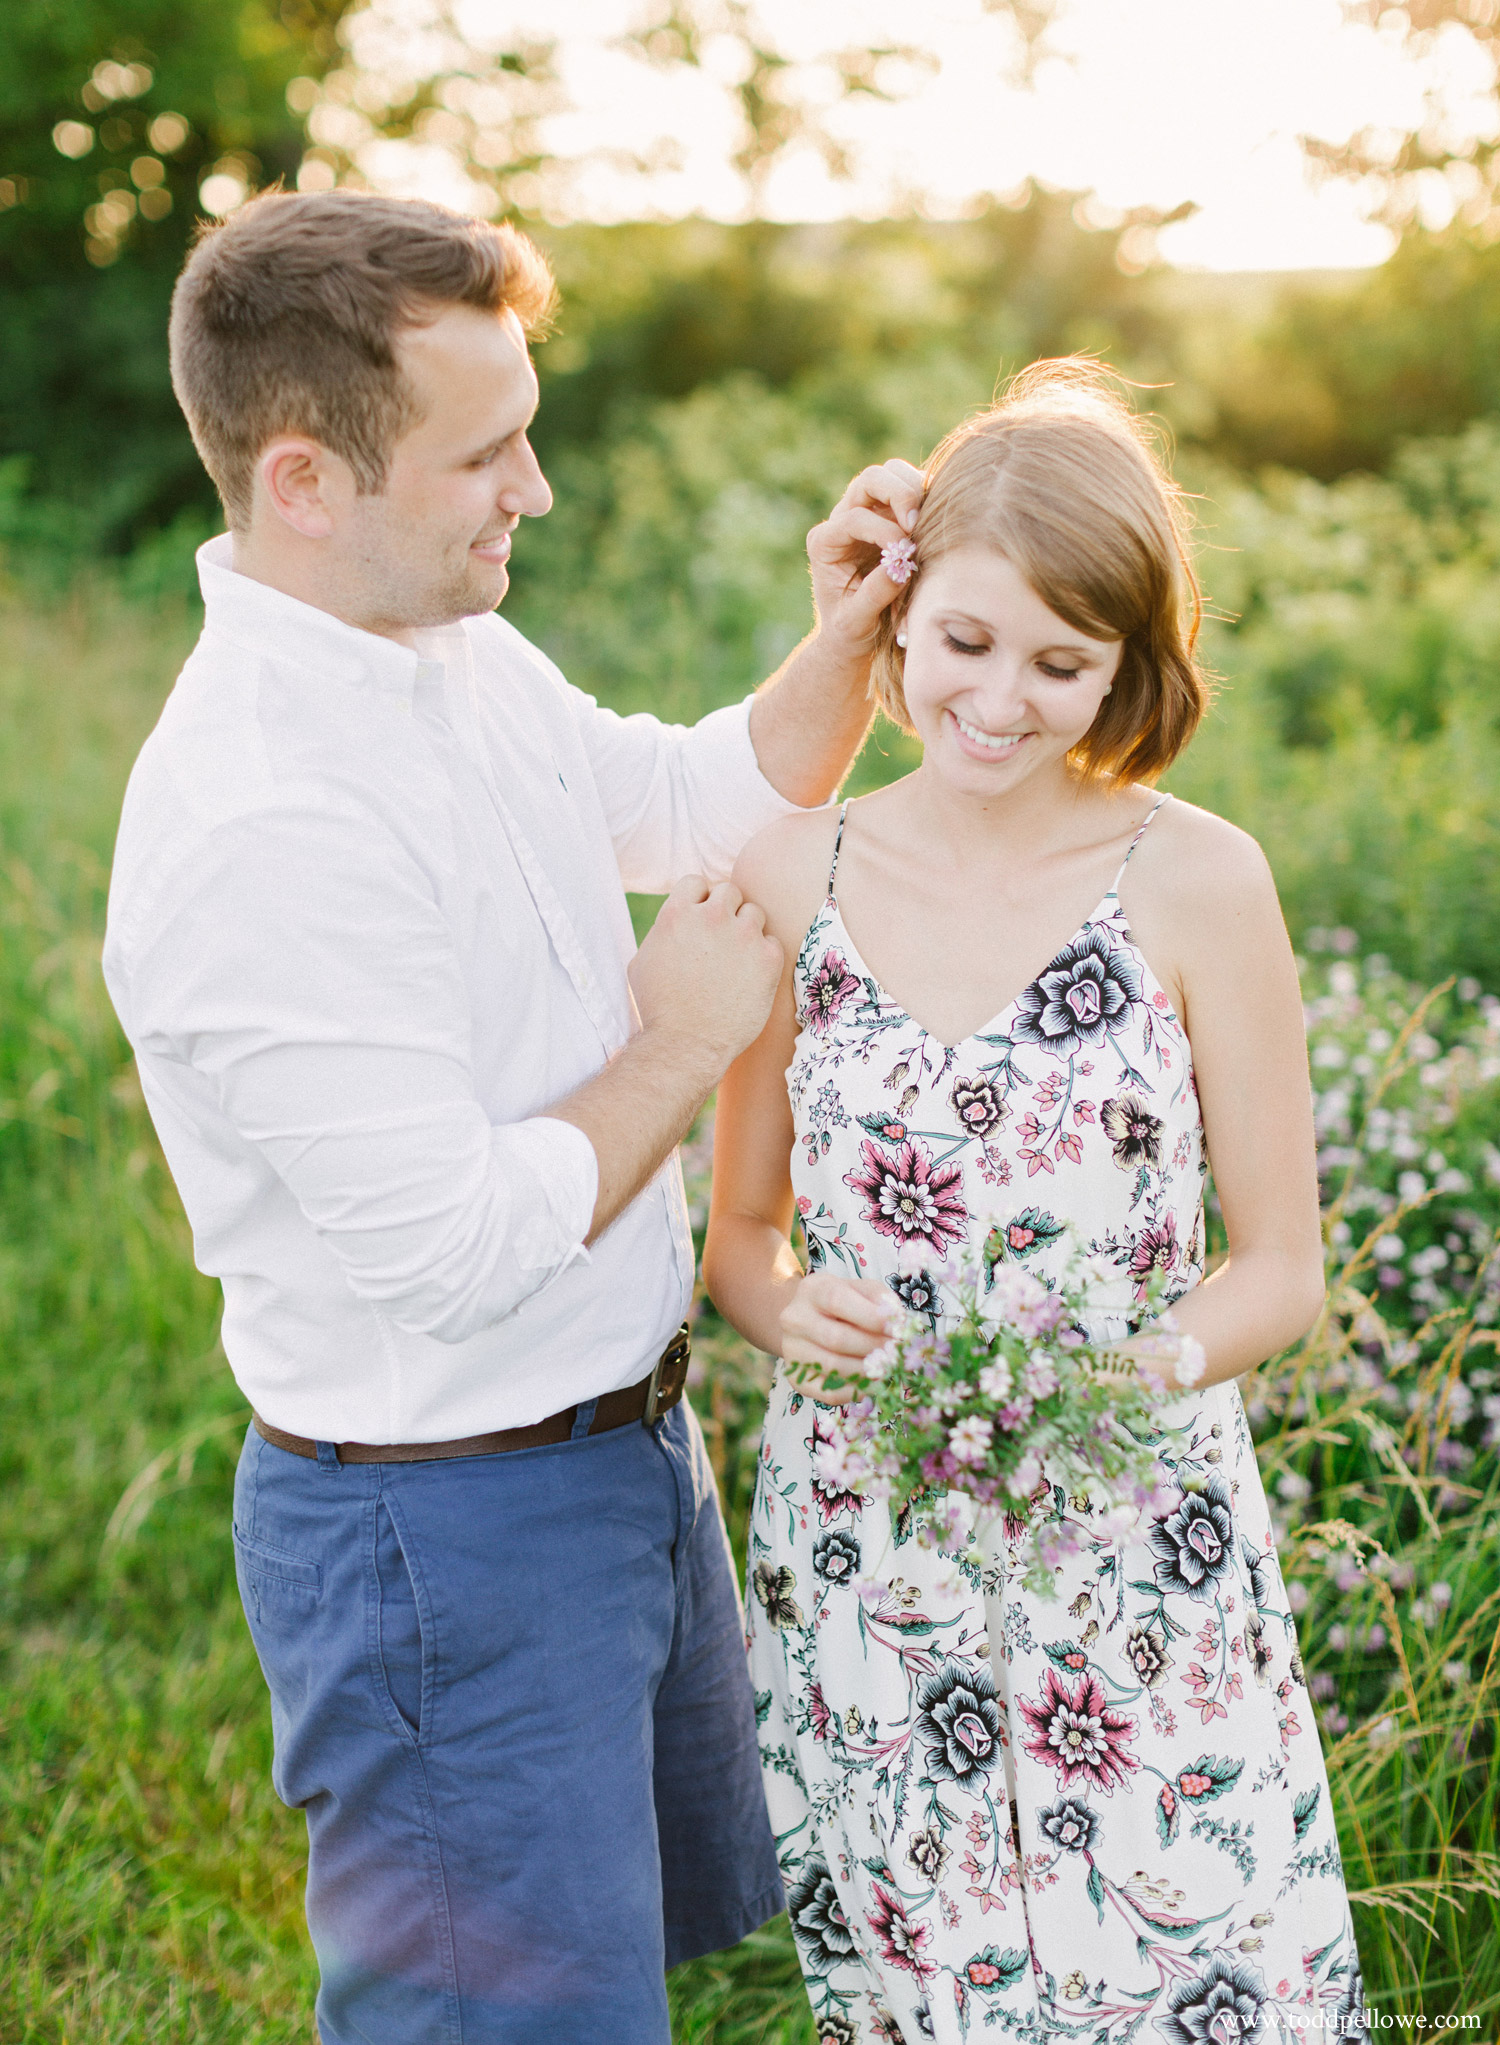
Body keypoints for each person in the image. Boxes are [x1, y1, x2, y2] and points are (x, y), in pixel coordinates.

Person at [101, 189, 922, 2045]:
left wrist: (855, 643)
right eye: (487, 454)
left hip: (616, 1464)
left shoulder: (454, 654)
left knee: (592, 1993)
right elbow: (459, 1255)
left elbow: (687, 798)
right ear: (303, 480)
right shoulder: (259, 822)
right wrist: (688, 1035)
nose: (532, 491)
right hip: (441, 1537)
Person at [705, 360, 1366, 2045]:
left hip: (1137, 1543)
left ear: (1132, 667)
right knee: (931, 1984)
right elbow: (741, 1241)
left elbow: (1282, 1262)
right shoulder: (797, 875)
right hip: (867, 1543)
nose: (1000, 701)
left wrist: (1136, 1374)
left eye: (1063, 664)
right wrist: (790, 1308)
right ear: (898, 619)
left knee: (1196, 1976)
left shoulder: (1203, 880)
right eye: (967, 645)